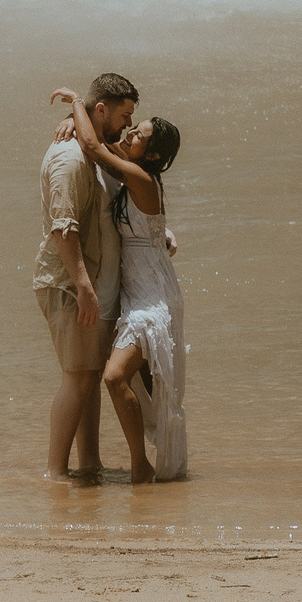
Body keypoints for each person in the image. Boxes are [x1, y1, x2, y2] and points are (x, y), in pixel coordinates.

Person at [53, 87, 186, 483]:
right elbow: (99, 141)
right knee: (146, 387)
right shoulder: (131, 169)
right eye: (132, 128)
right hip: (137, 295)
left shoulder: (142, 178)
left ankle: (141, 466)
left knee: (114, 378)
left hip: (154, 300)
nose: (129, 135)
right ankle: (149, 468)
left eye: (138, 135)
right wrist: (74, 125)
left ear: (154, 154)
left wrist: (76, 101)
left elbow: (95, 150)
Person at [34, 72, 137, 481]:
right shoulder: (69, 158)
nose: (127, 125)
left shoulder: (91, 151)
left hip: (90, 285)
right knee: (76, 379)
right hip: (69, 284)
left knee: (89, 379)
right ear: (101, 110)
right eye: (124, 115)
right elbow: (64, 227)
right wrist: (83, 286)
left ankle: (88, 465)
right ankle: (55, 472)